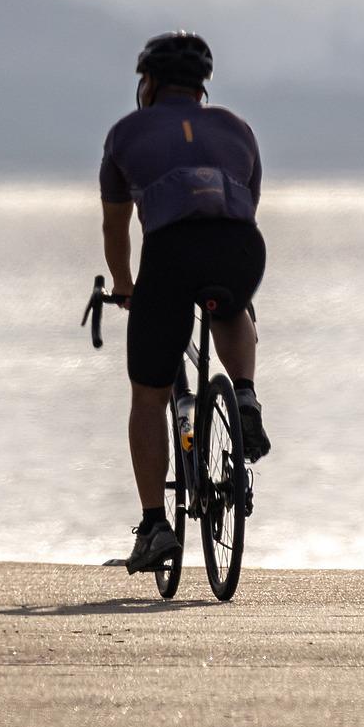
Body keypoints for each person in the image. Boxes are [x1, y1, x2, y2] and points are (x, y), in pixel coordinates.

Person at [99, 31, 269, 575]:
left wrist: (126, 286)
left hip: (170, 254)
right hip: (241, 248)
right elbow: (248, 203)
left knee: (148, 397)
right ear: (202, 87)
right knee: (230, 303)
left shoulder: (126, 133)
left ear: (146, 84)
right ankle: (243, 396)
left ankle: (154, 526)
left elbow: (115, 228)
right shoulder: (237, 129)